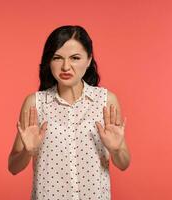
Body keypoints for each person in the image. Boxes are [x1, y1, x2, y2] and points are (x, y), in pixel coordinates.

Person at [8, 25, 131, 200]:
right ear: (49, 61)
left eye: (75, 58)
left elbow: (124, 164)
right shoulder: (35, 103)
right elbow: (13, 167)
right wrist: (27, 152)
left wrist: (116, 149)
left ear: (89, 60)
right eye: (57, 58)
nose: (66, 66)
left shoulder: (106, 101)